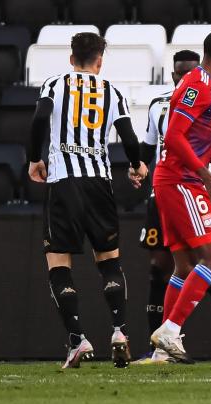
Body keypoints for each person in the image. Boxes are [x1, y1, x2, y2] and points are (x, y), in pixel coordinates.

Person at [28, 32, 149, 369]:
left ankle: (77, 339)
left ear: (71, 58)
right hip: (99, 183)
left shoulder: (55, 84)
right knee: (109, 261)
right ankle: (120, 332)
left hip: (63, 183)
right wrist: (137, 165)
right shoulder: (112, 91)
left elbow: (40, 118)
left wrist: (33, 158)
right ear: (100, 60)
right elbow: (128, 136)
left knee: (59, 264)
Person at [137, 49, 211, 364]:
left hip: (175, 180)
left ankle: (163, 349)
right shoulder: (198, 84)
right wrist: (208, 177)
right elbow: (173, 137)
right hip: (182, 182)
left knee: (184, 266)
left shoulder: (209, 87)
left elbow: (191, 140)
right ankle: (170, 330)